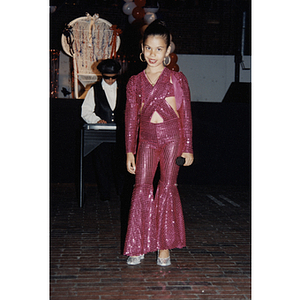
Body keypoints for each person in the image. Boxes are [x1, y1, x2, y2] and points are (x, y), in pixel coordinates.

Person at [123, 20, 194, 266]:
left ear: (168, 51)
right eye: (149, 48)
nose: (153, 54)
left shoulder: (177, 79)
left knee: (166, 188)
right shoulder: (134, 82)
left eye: (159, 49)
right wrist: (129, 151)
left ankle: (164, 246)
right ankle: (138, 244)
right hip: (147, 140)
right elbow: (131, 118)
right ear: (142, 50)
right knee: (141, 187)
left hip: (172, 138)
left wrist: (188, 148)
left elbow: (185, 115)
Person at [81, 59, 126, 201]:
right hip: (101, 135)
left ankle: (122, 193)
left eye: (114, 77)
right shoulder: (94, 89)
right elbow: (86, 111)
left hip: (120, 134)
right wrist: (96, 120)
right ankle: (105, 194)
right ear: (102, 75)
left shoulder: (125, 88)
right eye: (107, 78)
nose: (111, 81)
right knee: (102, 165)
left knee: (121, 165)